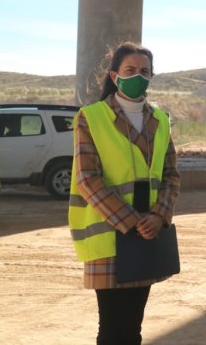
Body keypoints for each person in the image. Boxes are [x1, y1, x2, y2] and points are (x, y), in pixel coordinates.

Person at [68, 42, 180, 345]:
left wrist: (158, 216)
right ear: (115, 77)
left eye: (145, 71)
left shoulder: (161, 120)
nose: (138, 76)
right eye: (130, 70)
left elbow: (171, 175)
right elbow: (87, 178)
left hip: (148, 233)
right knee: (113, 327)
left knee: (133, 326)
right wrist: (133, 221)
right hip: (110, 235)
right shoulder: (90, 117)